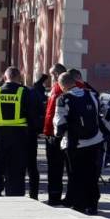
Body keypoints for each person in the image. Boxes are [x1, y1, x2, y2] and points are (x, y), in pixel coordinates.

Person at [0, 68, 43, 197]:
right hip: (19, 138)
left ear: (4, 77)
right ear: (19, 78)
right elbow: (33, 116)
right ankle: (15, 199)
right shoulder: (26, 93)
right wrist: (34, 133)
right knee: (16, 171)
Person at [53, 69, 105, 215]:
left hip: (74, 144)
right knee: (92, 174)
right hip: (95, 140)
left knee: (75, 174)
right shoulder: (91, 95)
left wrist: (58, 136)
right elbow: (104, 113)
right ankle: (92, 204)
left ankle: (79, 204)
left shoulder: (63, 99)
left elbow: (59, 122)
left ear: (62, 85)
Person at [41, 62, 69, 205]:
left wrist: (47, 131)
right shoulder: (60, 88)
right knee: (63, 167)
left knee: (55, 167)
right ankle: (65, 196)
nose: (51, 78)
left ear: (57, 74)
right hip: (59, 133)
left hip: (55, 133)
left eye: (52, 75)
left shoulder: (58, 89)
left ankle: (54, 196)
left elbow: (51, 114)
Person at [27, 72, 52, 199]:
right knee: (32, 167)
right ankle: (34, 195)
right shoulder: (39, 97)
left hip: (22, 135)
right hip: (31, 135)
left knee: (22, 167)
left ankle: (20, 194)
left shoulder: (29, 94)